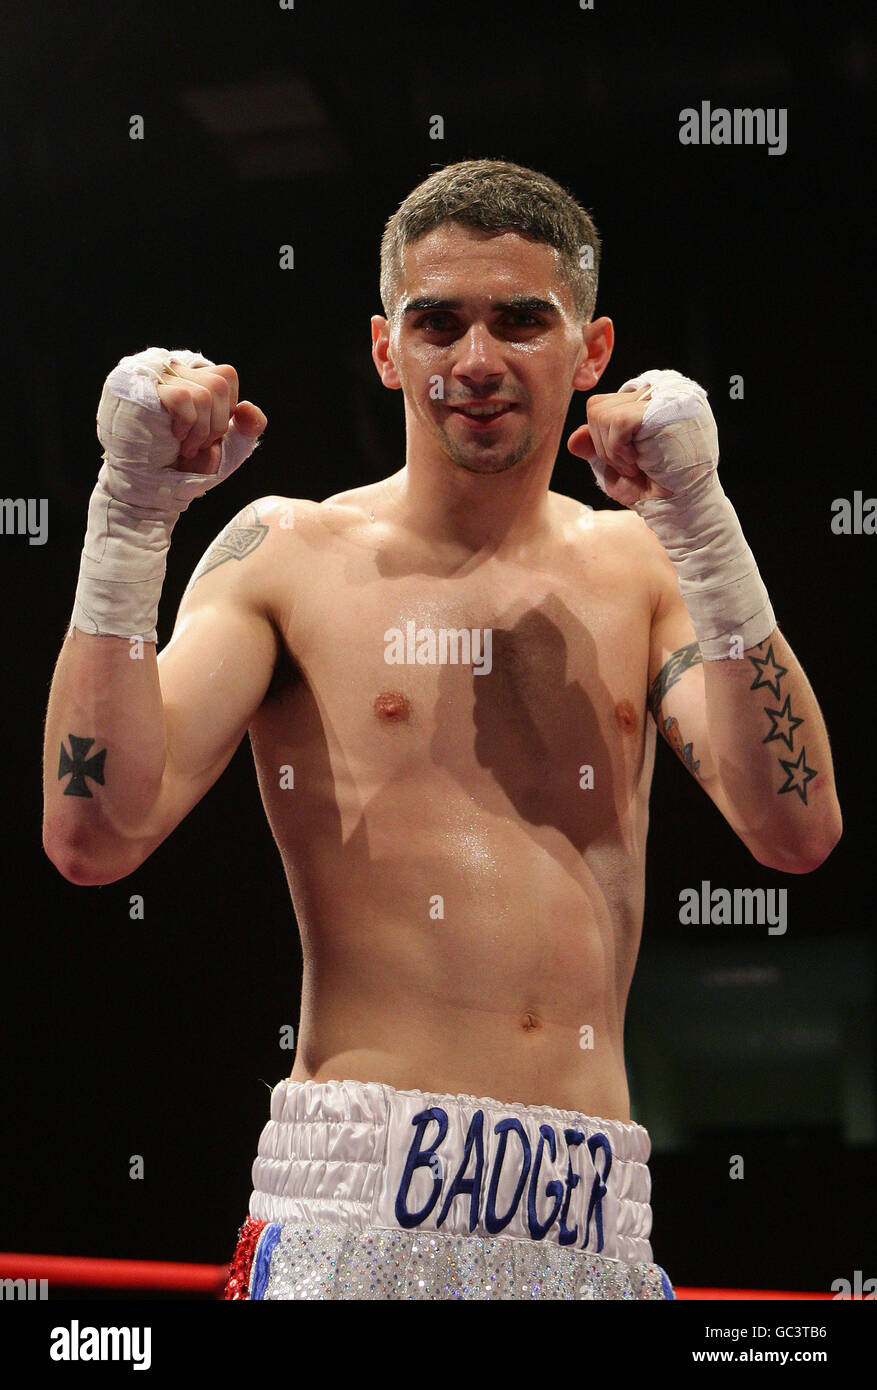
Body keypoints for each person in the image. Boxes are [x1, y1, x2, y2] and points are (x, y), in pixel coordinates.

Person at [42, 158, 842, 1300]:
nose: (475, 361)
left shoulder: (645, 565)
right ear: (386, 348)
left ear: (592, 350)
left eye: (520, 320)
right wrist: (126, 525)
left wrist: (708, 533)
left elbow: (798, 828)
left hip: (593, 1221)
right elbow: (91, 836)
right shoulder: (286, 554)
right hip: (357, 1206)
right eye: (437, 323)